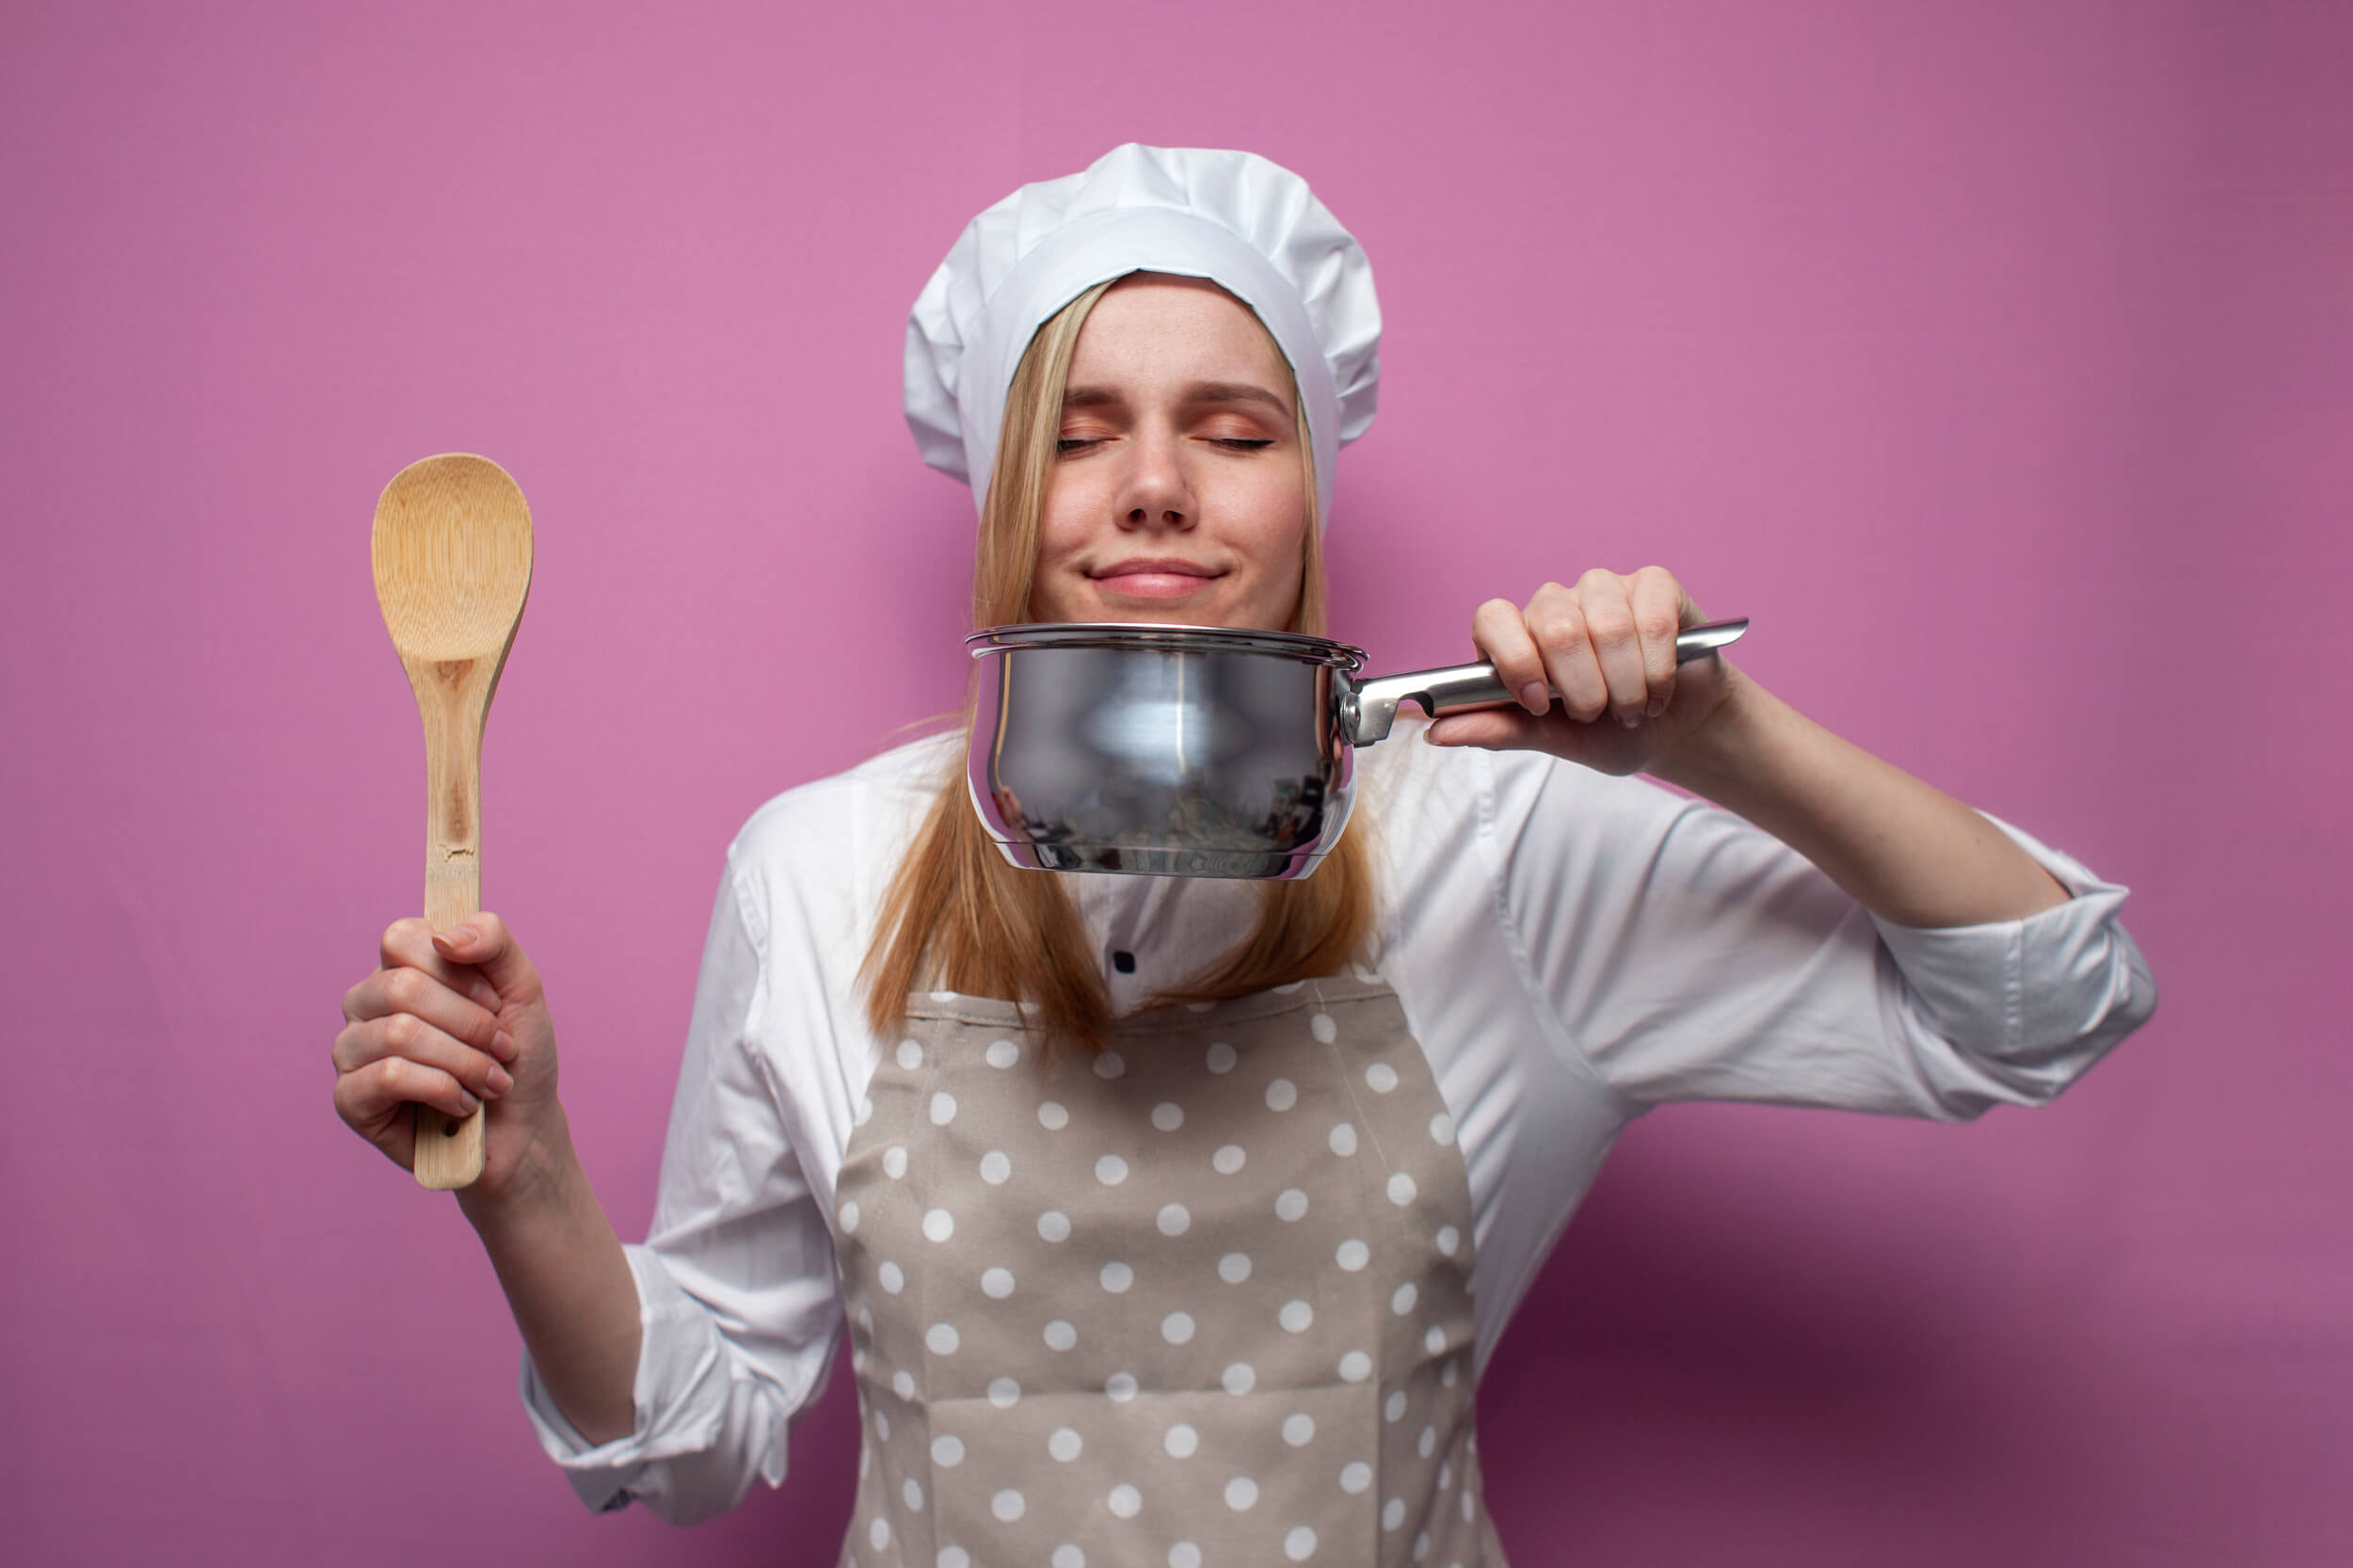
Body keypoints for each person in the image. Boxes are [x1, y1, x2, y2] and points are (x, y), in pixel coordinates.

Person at [331, 145, 2156, 1566]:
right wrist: (530, 1169)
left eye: (1231, 427)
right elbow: (689, 1429)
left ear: (1304, 499)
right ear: (1000, 502)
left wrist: (1717, 740)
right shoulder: (815, 870)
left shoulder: (1496, 852)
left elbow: (2042, 992)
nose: (1153, 485)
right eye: (1079, 432)